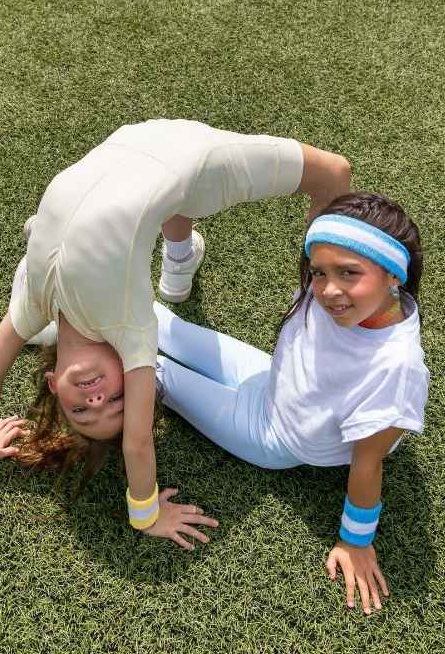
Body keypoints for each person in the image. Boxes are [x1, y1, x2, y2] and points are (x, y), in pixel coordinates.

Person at [0, 118, 352, 550]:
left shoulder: (32, 304)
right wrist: (146, 513)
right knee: (334, 174)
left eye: (84, 411)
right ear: (131, 374)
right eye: (117, 399)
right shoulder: (132, 333)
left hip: (133, 141)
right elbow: (138, 442)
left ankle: (182, 258)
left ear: (53, 384)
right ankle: (188, 264)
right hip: (191, 158)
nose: (96, 398)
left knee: (166, 200)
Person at [146, 191, 429, 615]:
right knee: (169, 328)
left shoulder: (396, 368)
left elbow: (368, 462)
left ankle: (64, 335)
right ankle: (74, 293)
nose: (329, 290)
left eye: (349, 273)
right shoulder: (345, 297)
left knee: (155, 377)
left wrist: (356, 542)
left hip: (275, 436)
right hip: (268, 382)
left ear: (394, 275)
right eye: (319, 272)